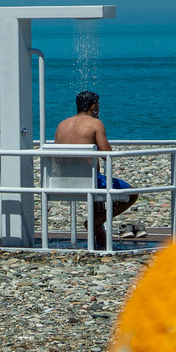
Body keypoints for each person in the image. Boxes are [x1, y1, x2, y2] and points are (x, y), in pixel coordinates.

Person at [54, 90, 141, 241]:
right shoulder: (95, 124)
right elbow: (107, 155)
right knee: (132, 193)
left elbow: (56, 158)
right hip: (89, 182)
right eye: (98, 106)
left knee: (99, 187)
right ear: (93, 107)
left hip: (62, 182)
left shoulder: (61, 125)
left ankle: (98, 232)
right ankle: (94, 223)